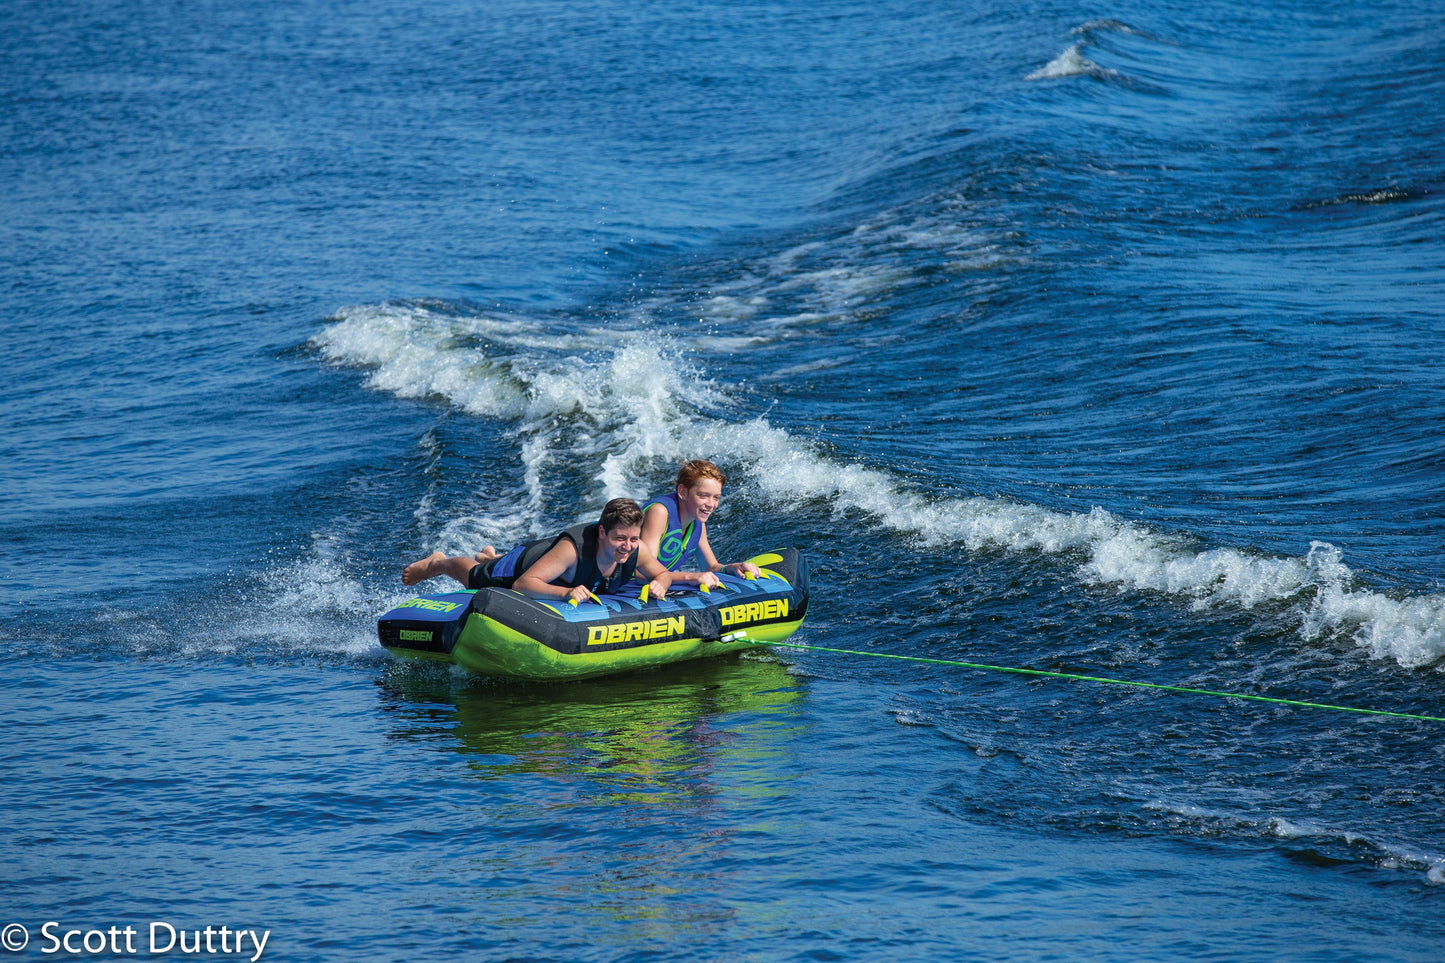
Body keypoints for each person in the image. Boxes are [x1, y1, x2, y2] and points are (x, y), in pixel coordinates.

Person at [401, 498, 671, 604]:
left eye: (634, 539)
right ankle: (438, 563)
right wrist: (566, 592)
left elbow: (663, 574)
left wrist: (660, 583)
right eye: (620, 538)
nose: (627, 546)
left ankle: (490, 555)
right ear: (602, 532)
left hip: (548, 563)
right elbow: (523, 583)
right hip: (524, 564)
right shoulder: (572, 551)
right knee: (475, 576)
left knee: (492, 562)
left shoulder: (637, 548)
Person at [641, 460, 762, 589]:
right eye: (703, 496)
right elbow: (642, 573)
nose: (711, 504)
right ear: (683, 492)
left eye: (716, 497)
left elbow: (710, 567)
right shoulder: (659, 512)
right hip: (620, 583)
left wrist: (733, 568)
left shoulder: (697, 523)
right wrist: (690, 577)